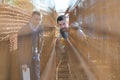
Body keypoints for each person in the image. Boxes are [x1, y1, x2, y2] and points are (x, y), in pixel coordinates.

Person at [18, 11, 44, 80]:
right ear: (31, 18)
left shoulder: (40, 29)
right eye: (36, 19)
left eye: (40, 19)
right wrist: (23, 62)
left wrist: (38, 53)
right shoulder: (23, 30)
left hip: (36, 56)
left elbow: (41, 42)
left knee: (36, 77)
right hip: (26, 58)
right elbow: (20, 47)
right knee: (26, 78)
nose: (38, 21)